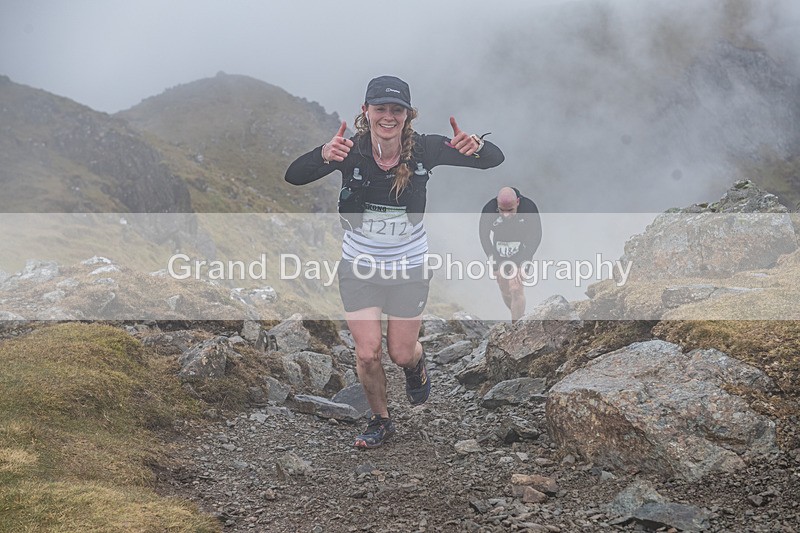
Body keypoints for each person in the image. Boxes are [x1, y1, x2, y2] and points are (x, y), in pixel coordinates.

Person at [285, 75, 504, 448]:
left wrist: (477, 145)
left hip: (409, 267)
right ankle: (380, 420)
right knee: (368, 352)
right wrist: (323, 154)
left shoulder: (425, 150)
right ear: (366, 111)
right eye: (380, 108)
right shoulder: (349, 150)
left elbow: (492, 160)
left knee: (400, 352)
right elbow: (294, 176)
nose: (388, 116)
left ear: (407, 114)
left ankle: (416, 364)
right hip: (360, 267)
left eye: (396, 109)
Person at [479, 187, 542, 323]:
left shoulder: (529, 207)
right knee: (504, 287)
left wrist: (522, 263)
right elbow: (484, 236)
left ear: (518, 202)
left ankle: (516, 327)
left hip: (522, 250)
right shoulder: (489, 209)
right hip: (499, 252)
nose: (506, 215)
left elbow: (536, 236)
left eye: (510, 210)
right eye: (502, 210)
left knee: (516, 288)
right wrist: (493, 262)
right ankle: (519, 315)